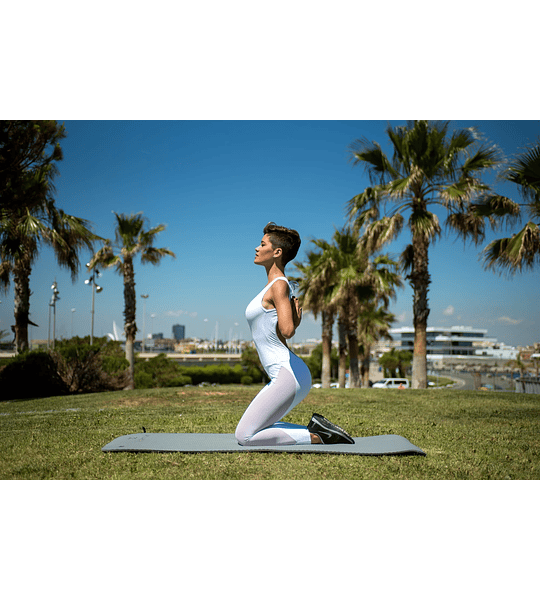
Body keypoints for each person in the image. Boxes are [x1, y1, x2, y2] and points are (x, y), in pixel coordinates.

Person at [235, 222, 355, 446]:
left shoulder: (279, 285)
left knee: (245, 436)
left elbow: (287, 330)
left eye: (262, 244)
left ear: (277, 252)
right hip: (286, 373)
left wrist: (294, 322)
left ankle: (318, 436)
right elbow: (279, 334)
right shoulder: (271, 286)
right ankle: (319, 429)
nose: (257, 248)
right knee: (256, 428)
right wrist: (291, 322)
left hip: (287, 375)